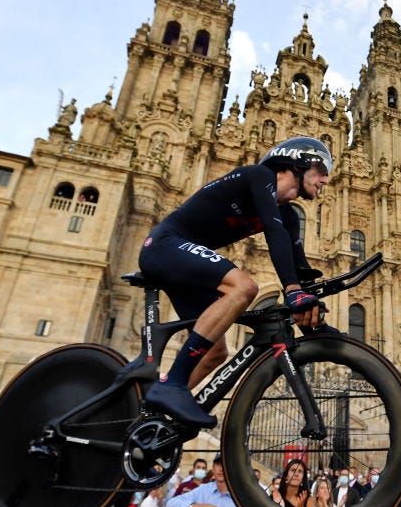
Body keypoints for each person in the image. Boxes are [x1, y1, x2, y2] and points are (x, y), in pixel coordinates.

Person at [137, 137, 332, 428]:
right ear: (298, 162)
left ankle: (147, 415)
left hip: (189, 266)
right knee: (244, 287)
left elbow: (299, 267)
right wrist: (291, 291)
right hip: (165, 246)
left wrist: (311, 310)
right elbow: (272, 231)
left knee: (217, 352)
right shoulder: (259, 176)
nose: (326, 180)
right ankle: (173, 384)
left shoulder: (288, 215)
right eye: (322, 168)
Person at [165, 456, 236, 507]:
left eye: (225, 463)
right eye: (218, 464)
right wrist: (193, 506)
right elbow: (171, 503)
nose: (221, 469)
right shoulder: (203, 490)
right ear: (213, 469)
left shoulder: (240, 494)